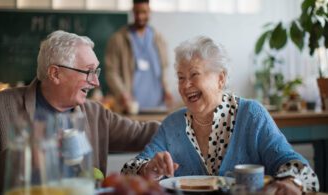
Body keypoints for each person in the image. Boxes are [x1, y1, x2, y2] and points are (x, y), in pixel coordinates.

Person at [121, 36, 320, 194]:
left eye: (194, 75)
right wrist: (149, 169)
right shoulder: (173, 124)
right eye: (181, 78)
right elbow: (129, 171)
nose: (185, 85)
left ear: (220, 78)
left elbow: (295, 165)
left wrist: (292, 182)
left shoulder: (251, 115)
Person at [0, 30, 159, 193]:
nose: (96, 82)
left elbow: (142, 133)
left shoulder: (95, 113)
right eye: (89, 72)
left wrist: (184, 120)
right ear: (55, 73)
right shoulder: (2, 106)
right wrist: (22, 156)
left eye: (96, 72)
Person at [105, 0, 173, 113]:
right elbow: (111, 72)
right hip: (130, 108)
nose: (140, 16)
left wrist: (167, 90)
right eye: (137, 12)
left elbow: (165, 67)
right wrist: (122, 93)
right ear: (132, 12)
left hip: (158, 107)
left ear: (150, 11)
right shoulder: (118, 40)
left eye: (144, 12)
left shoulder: (159, 39)